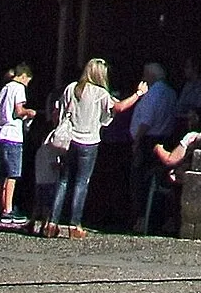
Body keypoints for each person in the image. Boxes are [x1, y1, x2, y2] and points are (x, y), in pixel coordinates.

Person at [44, 59, 138, 238]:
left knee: (63, 181)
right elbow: (119, 107)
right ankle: (75, 225)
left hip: (68, 141)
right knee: (81, 182)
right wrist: (138, 94)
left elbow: (59, 112)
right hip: (88, 141)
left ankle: (52, 222)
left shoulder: (71, 88)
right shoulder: (100, 93)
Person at [123, 65, 176, 232]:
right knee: (157, 182)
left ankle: (141, 219)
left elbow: (146, 121)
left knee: (140, 181)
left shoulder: (153, 94)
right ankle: (154, 219)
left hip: (148, 141)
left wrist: (137, 142)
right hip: (165, 138)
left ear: (149, 76)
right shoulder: (170, 92)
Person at [0, 66, 33, 229]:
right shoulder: (19, 88)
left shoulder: (2, 90)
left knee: (0, 175)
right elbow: (18, 111)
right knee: (12, 175)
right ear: (23, 76)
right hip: (13, 135)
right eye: (28, 80)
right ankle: (8, 210)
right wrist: (29, 113)